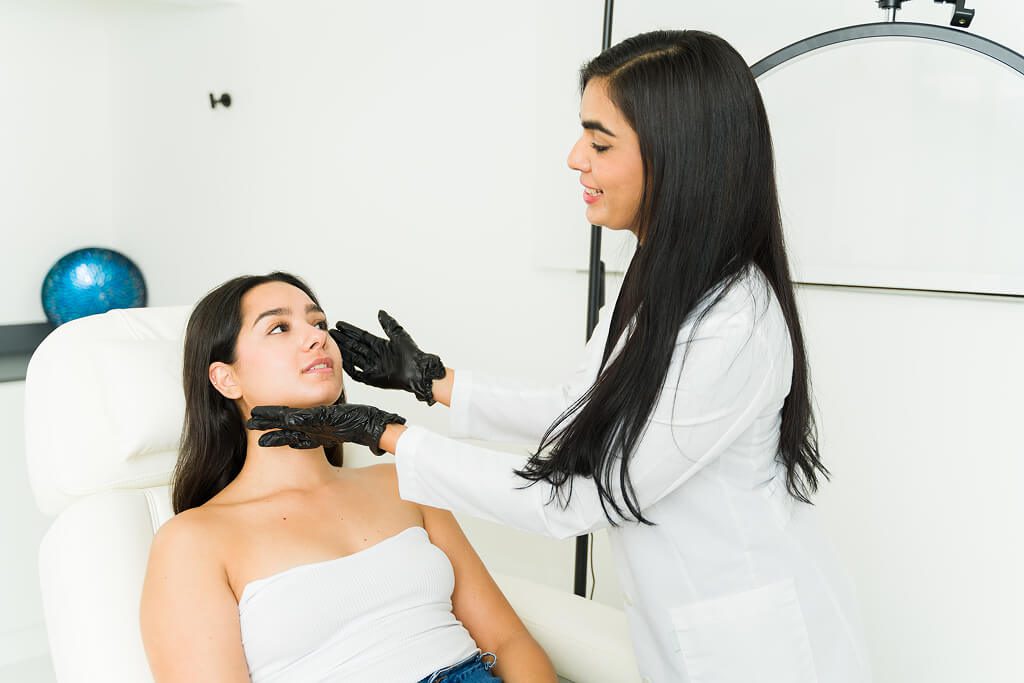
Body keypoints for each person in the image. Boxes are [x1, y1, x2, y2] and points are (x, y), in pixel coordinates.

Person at [252, 30, 872, 683]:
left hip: (760, 648)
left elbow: (579, 499)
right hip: (690, 632)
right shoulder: (658, 278)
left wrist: (388, 435)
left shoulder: (733, 325)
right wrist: (431, 381)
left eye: (600, 143)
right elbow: (578, 410)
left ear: (677, 158)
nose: (576, 158)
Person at [138, 272, 556, 683]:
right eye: (279, 327)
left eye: (319, 323)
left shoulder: (401, 482)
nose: (316, 337)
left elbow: (508, 642)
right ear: (227, 379)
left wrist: (427, 389)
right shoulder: (193, 539)